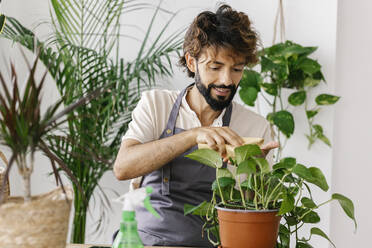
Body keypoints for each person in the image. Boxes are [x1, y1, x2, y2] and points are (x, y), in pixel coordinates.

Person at [113, 4, 279, 247]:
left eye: (237, 69)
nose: (226, 80)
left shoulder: (256, 127)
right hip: (144, 241)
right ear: (192, 62)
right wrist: (193, 135)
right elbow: (123, 167)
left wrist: (256, 175)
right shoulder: (156, 104)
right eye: (215, 67)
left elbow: (251, 218)